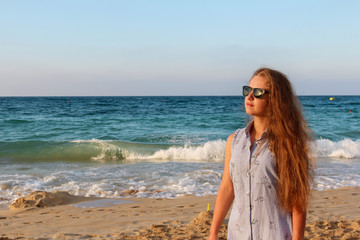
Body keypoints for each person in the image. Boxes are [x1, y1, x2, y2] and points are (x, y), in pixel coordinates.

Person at [208, 68, 313, 240]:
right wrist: (213, 233)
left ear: (276, 99)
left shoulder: (289, 143)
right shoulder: (233, 141)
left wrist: (298, 237)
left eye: (258, 93)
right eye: (247, 90)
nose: (249, 97)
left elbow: (297, 199)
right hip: (238, 235)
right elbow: (227, 188)